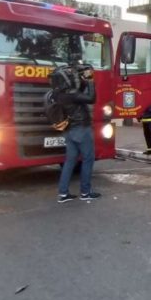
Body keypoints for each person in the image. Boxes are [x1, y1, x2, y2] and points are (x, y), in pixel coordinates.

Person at [54, 65, 100, 203]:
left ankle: (63, 194)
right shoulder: (72, 94)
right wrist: (91, 80)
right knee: (88, 159)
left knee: (69, 161)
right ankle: (85, 193)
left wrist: (83, 79)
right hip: (81, 129)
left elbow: (79, 90)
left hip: (69, 131)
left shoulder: (59, 94)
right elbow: (91, 98)